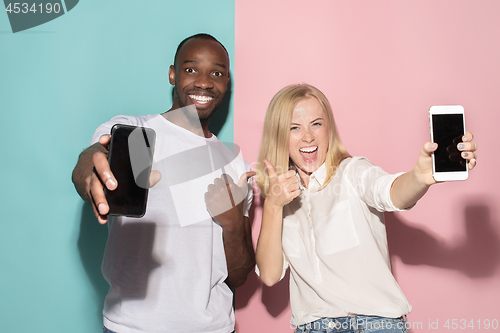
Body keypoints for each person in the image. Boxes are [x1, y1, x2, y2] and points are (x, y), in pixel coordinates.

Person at [254, 84, 477, 333]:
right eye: (294, 128)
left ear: (329, 128)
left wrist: (419, 177)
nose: (308, 137)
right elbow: (270, 275)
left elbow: (391, 192)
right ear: (278, 135)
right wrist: (273, 206)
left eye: (316, 124)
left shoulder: (353, 171)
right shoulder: (280, 198)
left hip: (372, 326)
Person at [72, 34, 255, 333]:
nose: (205, 82)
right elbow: (91, 162)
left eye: (217, 73)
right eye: (191, 69)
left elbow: (237, 277)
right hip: (132, 327)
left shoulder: (235, 165)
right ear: (173, 73)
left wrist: (234, 225)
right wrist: (89, 169)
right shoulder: (135, 133)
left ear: (227, 83)